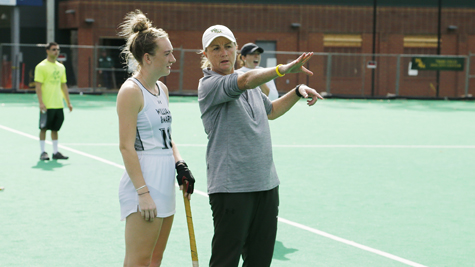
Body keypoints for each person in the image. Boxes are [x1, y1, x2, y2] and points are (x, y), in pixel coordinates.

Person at [198, 25, 323, 267]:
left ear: (236, 49)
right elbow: (243, 80)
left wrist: (297, 91)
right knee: (226, 260)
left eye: (227, 46)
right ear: (205, 55)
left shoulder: (251, 86)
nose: (223, 52)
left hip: (265, 185)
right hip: (231, 189)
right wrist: (282, 69)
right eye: (215, 48)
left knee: (259, 260)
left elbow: (272, 111)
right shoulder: (210, 85)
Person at [116, 10, 195, 267]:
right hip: (144, 179)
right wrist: (143, 193)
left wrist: (180, 164)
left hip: (164, 178)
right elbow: (126, 147)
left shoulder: (162, 89)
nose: (173, 58)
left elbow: (167, 136)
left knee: (155, 259)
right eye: (167, 54)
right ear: (148, 58)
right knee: (138, 261)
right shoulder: (131, 91)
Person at [35, 42, 73, 161]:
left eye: (57, 49)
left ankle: (55, 152)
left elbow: (63, 85)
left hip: (58, 104)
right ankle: (43, 152)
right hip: (47, 104)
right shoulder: (41, 66)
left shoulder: (61, 67)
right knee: (44, 128)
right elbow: (38, 86)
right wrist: (41, 102)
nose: (56, 52)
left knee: (55, 129)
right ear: (47, 51)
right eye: (53, 49)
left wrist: (68, 102)